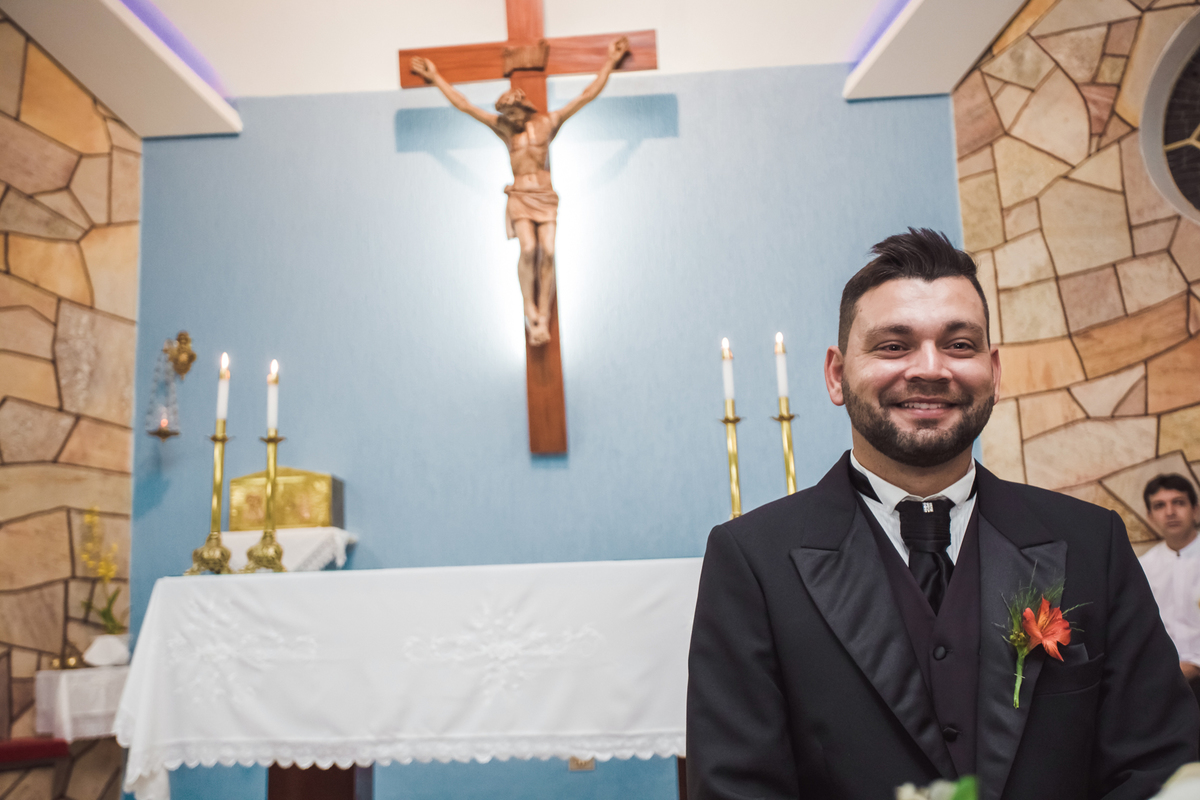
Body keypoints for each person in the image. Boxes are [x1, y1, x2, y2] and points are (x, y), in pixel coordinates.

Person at [686, 228, 1198, 800]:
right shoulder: (753, 561)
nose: (930, 368)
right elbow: (737, 788)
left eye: (959, 345)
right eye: (893, 345)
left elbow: (1160, 766)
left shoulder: (1090, 542)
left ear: (994, 373)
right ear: (836, 375)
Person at [410, 37, 629, 346]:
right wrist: (435, 78)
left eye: (513, 114)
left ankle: (544, 314)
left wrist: (610, 62)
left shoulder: (548, 123)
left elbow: (586, 96)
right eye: (506, 116)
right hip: (519, 198)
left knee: (549, 252)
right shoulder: (503, 129)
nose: (509, 120)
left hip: (545, 196)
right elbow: (464, 105)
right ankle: (530, 311)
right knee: (528, 249)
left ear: (523, 108)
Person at [1140, 473, 1200, 708]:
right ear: (1150, 516)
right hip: (1163, 682)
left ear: (1195, 509)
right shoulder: (1143, 567)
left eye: (1178, 502)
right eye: (1159, 505)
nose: (1170, 512)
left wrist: (1195, 665)